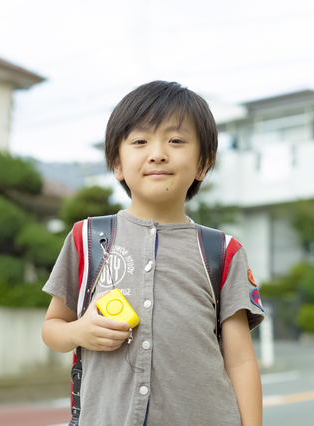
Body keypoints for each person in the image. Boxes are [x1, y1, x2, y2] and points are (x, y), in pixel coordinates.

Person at [41, 80, 265, 426]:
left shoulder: (223, 252)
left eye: (176, 141)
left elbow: (240, 361)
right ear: (117, 163)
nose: (157, 153)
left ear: (203, 163)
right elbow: (52, 327)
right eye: (140, 141)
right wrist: (79, 332)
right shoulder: (87, 237)